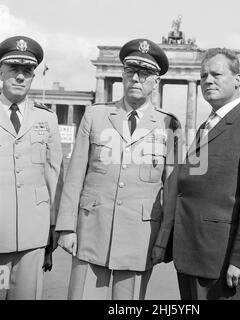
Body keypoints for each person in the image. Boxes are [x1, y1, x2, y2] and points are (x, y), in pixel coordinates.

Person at [56, 38, 181, 300]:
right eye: (130, 71)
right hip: (91, 233)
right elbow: (75, 174)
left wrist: (163, 239)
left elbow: (171, 190)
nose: (136, 78)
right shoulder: (95, 115)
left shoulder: (169, 125)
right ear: (122, 76)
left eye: (145, 73)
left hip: (140, 239)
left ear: (156, 82)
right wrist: (67, 227)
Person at [152, 48, 240, 300]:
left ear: (238, 80)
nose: (208, 80)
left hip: (221, 260)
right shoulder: (208, 125)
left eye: (217, 74)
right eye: (204, 75)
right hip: (192, 253)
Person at [0, 36, 63, 299]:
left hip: (33, 235)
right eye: (14, 70)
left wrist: (54, 227)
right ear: (0, 73)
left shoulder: (46, 118)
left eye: (27, 72)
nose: (20, 77)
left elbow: (54, 174)